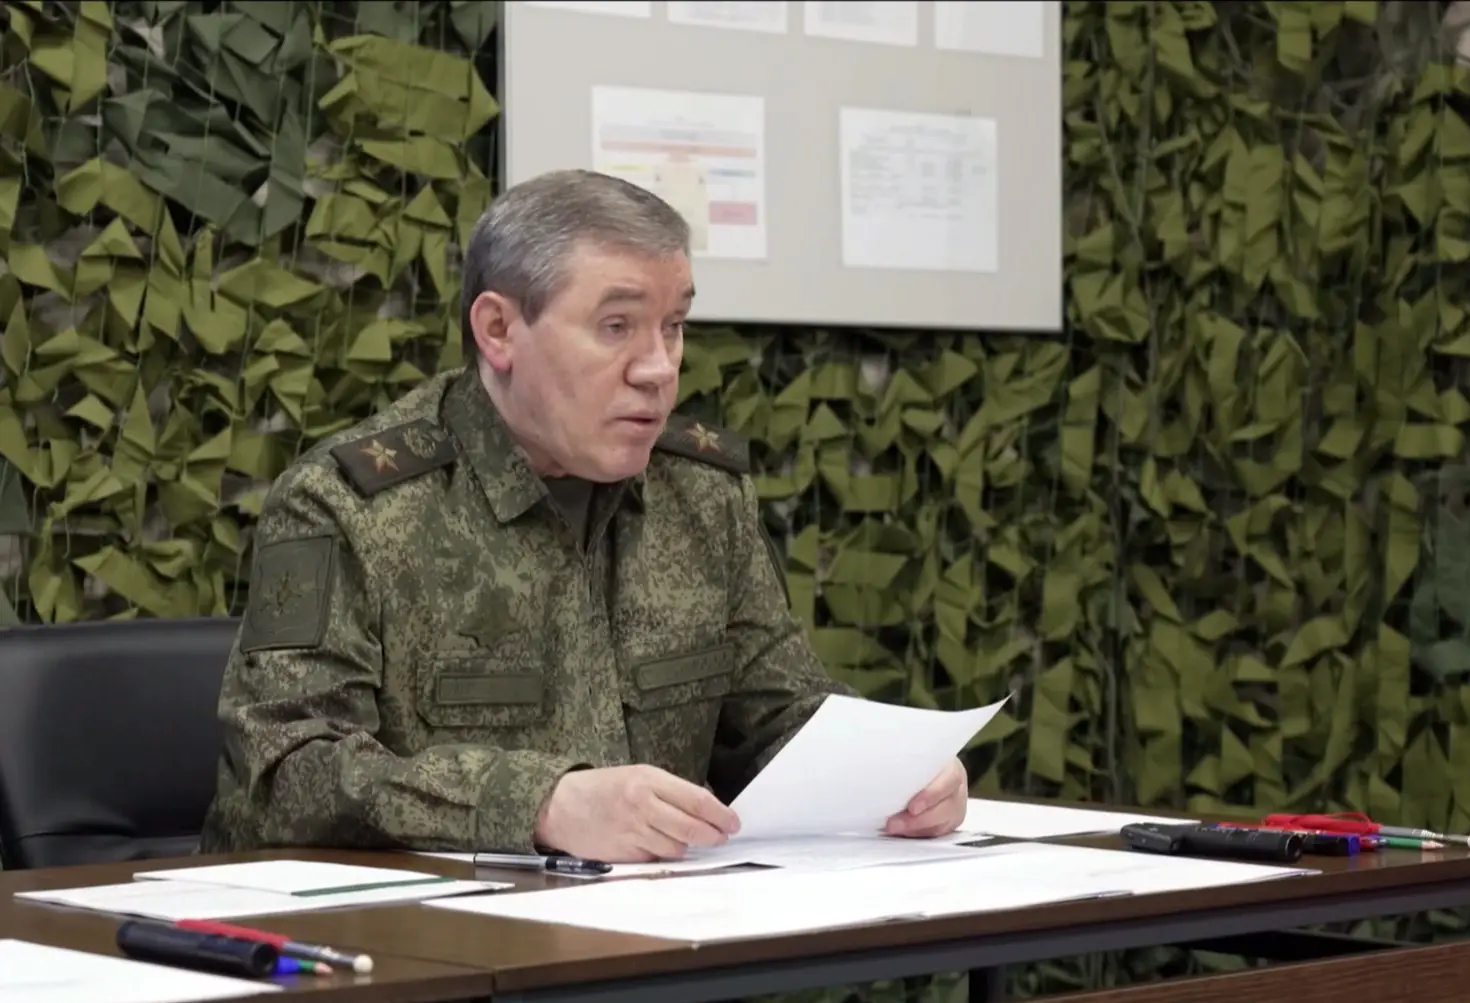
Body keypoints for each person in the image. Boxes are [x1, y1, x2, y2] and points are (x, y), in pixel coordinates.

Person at [199, 169, 969, 862]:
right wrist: (540, 803)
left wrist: (891, 771)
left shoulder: (701, 494)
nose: (658, 368)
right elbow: (285, 773)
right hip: (414, 941)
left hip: (657, 932)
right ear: (498, 330)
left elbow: (773, 714)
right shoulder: (350, 505)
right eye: (616, 327)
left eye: (673, 326)